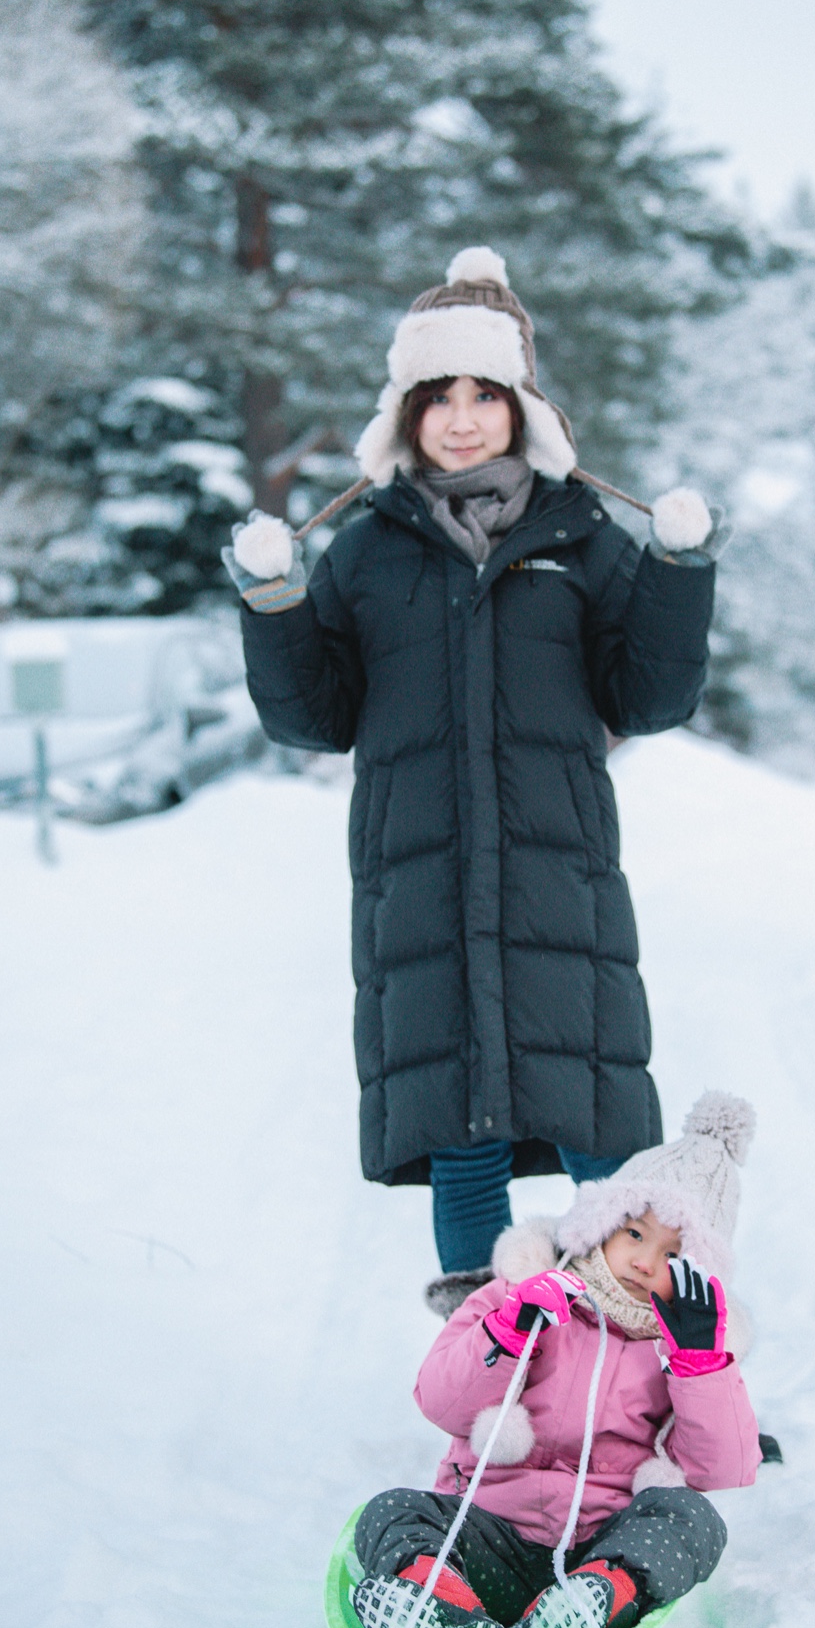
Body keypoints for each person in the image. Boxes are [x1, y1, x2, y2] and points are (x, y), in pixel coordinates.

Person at [227, 247, 727, 1312]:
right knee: (462, 1129)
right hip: (422, 884)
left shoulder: (581, 536)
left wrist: (680, 576)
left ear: (519, 406)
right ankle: (493, 1366)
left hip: (558, 876)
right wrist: (273, 604)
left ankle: (624, 1354)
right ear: (404, 412)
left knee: (596, 1118)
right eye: (436, 396)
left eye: (483, 395)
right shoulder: (365, 549)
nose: (460, 419)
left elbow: (647, 696)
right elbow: (311, 714)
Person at [351, 1093, 762, 1628]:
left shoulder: (689, 1346)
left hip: (599, 1547)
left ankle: (592, 1603)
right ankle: (442, 1609)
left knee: (693, 1518)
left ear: (696, 1269)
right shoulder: (519, 1295)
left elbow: (725, 1468)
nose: (645, 1262)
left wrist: (700, 1363)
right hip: (489, 1534)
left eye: (671, 1254)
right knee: (392, 1511)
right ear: (603, 1224)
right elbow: (440, 1401)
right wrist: (511, 1330)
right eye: (635, 1235)